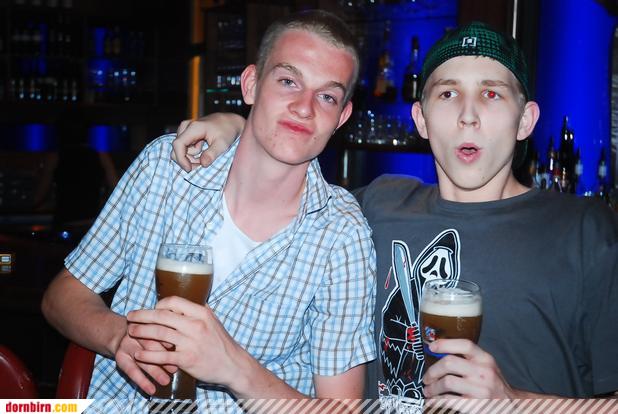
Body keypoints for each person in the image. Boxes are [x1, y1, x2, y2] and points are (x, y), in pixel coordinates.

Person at [170, 21, 618, 412]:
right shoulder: (377, 205)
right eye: (448, 94)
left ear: (525, 120)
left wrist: (514, 402)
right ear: (421, 119)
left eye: (491, 94)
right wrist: (236, 126)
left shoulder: (583, 230)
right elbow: (287, 179)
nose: (468, 116)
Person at [41, 10, 377, 413]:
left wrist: (234, 368)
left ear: (341, 117)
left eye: (326, 96)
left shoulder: (340, 232)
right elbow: (62, 296)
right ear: (251, 85)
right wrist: (119, 337)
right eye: (288, 81)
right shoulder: (167, 168)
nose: (305, 108)